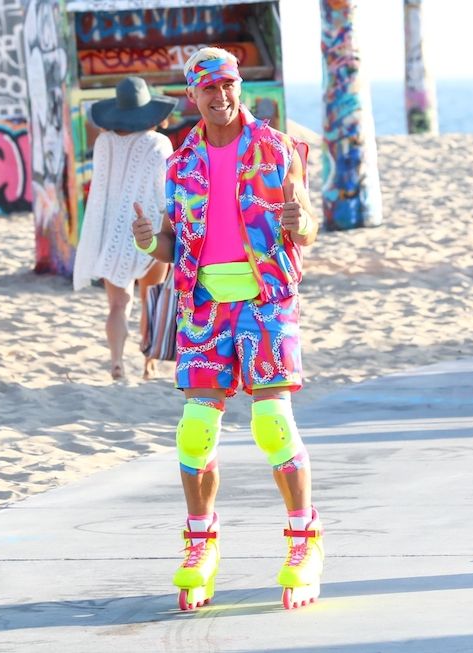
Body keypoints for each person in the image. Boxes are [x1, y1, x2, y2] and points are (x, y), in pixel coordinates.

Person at [132, 47, 323, 611]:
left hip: (265, 300)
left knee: (271, 422)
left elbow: (307, 225)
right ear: (193, 96)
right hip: (204, 305)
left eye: (229, 85)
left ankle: (303, 539)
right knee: (194, 431)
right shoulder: (181, 162)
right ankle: (200, 543)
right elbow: (174, 243)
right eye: (209, 89)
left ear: (240, 87)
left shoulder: (274, 146)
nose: (221, 97)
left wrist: (300, 222)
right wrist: (149, 240)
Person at [73, 76, 175, 380]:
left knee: (118, 305)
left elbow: (102, 190)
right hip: (149, 230)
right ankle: (148, 364)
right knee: (150, 298)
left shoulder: (103, 143)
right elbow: (165, 192)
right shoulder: (159, 143)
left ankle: (116, 362)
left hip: (112, 234)